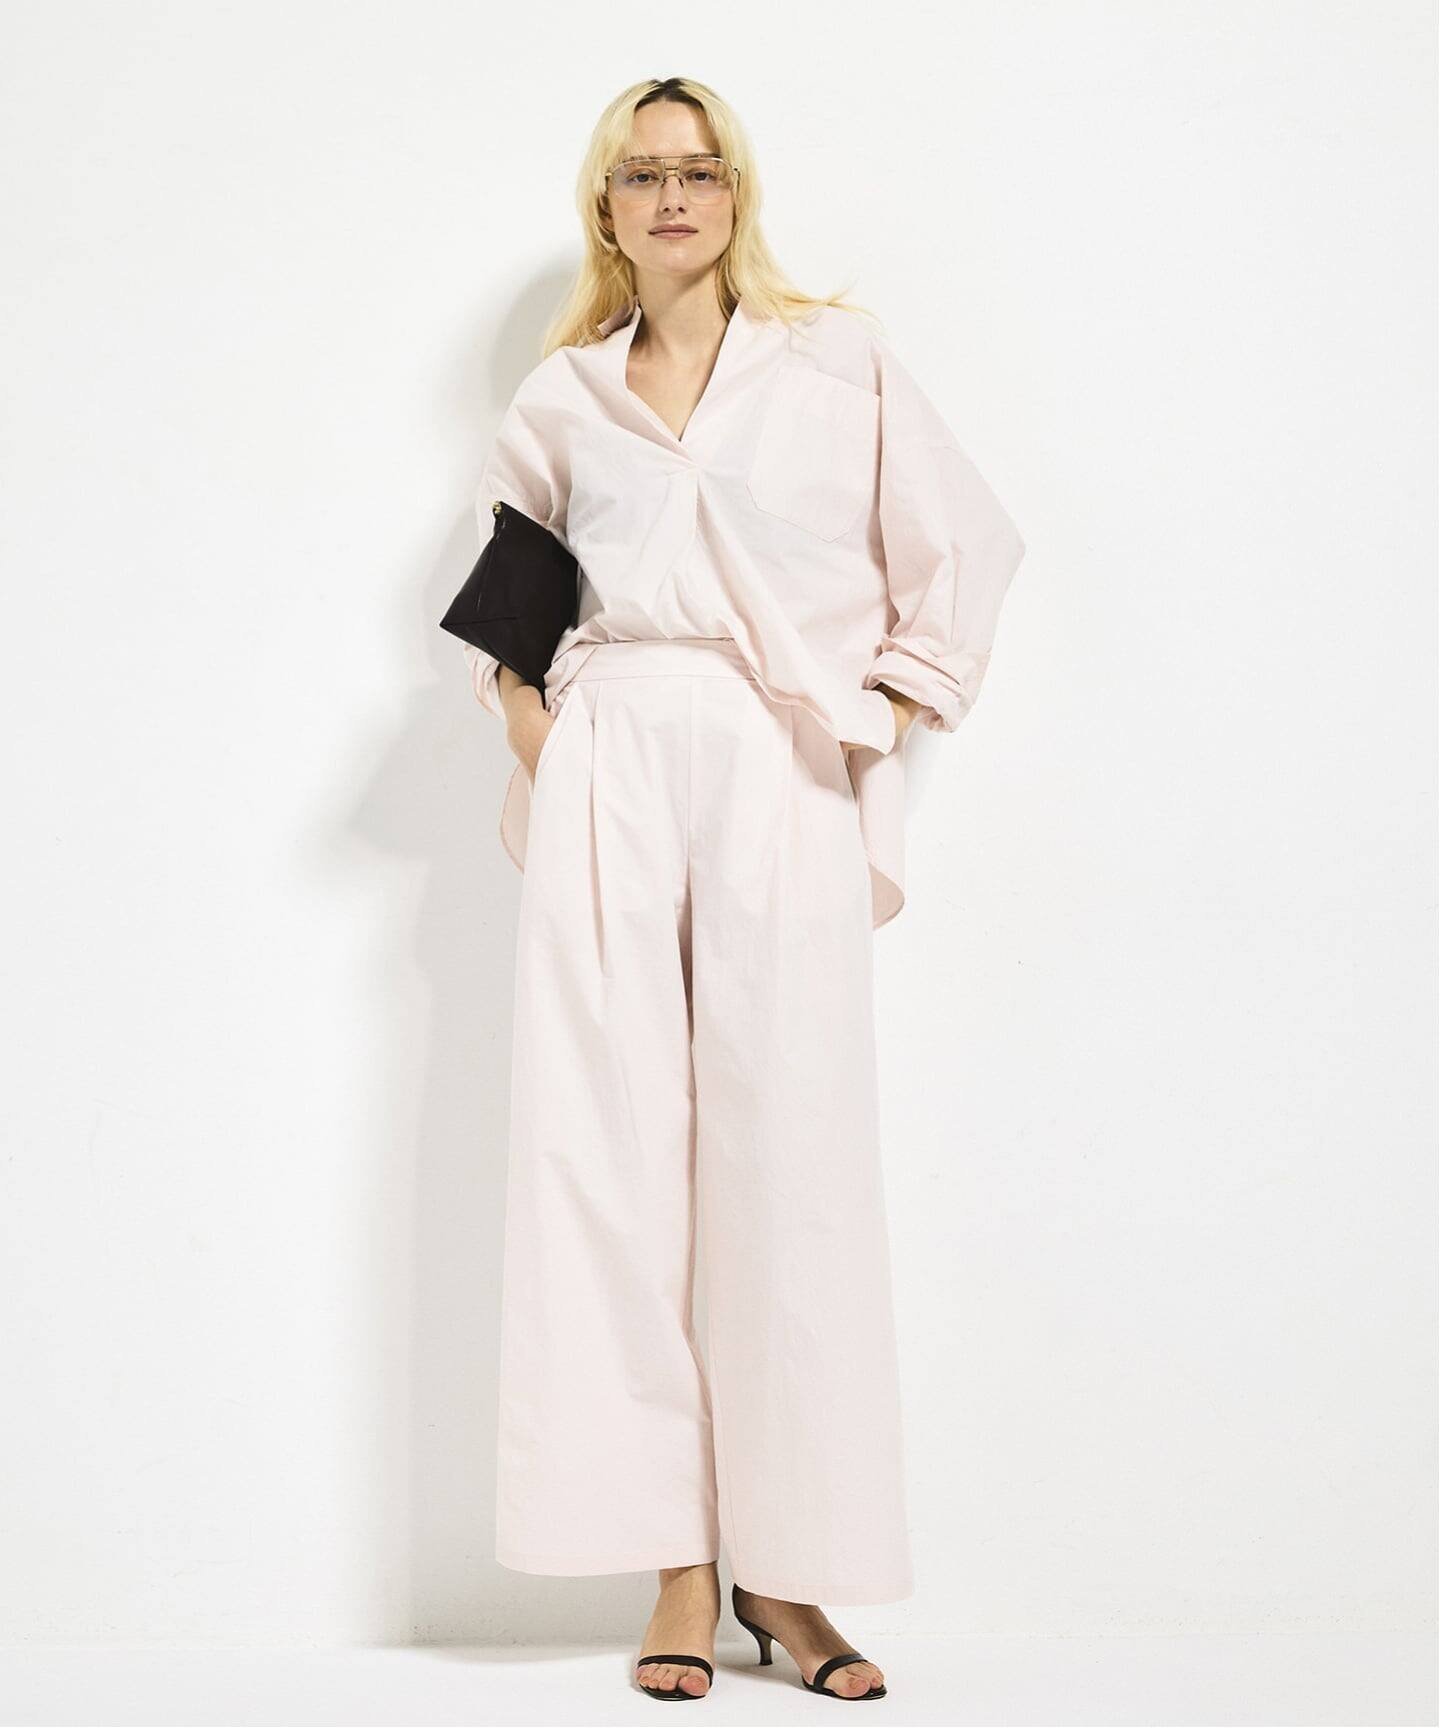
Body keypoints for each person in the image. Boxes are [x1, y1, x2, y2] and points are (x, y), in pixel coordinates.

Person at [459, 75, 1026, 1703]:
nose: (675, 196)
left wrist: (887, 710)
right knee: (606, 1157)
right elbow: (514, 601)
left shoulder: (836, 363)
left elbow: (965, 544)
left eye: (701, 171)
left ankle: (790, 1572)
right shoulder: (567, 396)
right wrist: (537, 728)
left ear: (736, 195)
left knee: (793, 1162)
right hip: (614, 750)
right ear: (607, 207)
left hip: (777, 759)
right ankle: (679, 1567)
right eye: (644, 174)